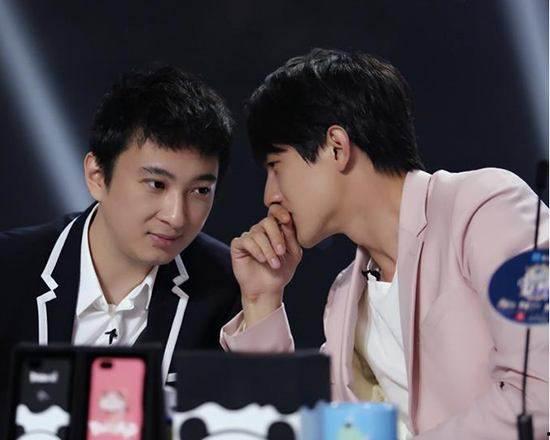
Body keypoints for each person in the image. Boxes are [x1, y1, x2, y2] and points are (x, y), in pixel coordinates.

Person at [221, 48, 549, 439]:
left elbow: (541, 393)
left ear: (337, 147)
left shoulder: (484, 209)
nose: (269, 196)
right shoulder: (345, 297)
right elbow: (296, 429)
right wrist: (261, 300)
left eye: (276, 167)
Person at [0, 66, 240, 426]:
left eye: (200, 191)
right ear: (97, 176)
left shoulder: (227, 286)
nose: (176, 216)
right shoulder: (9, 269)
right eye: (156, 184)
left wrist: (263, 302)